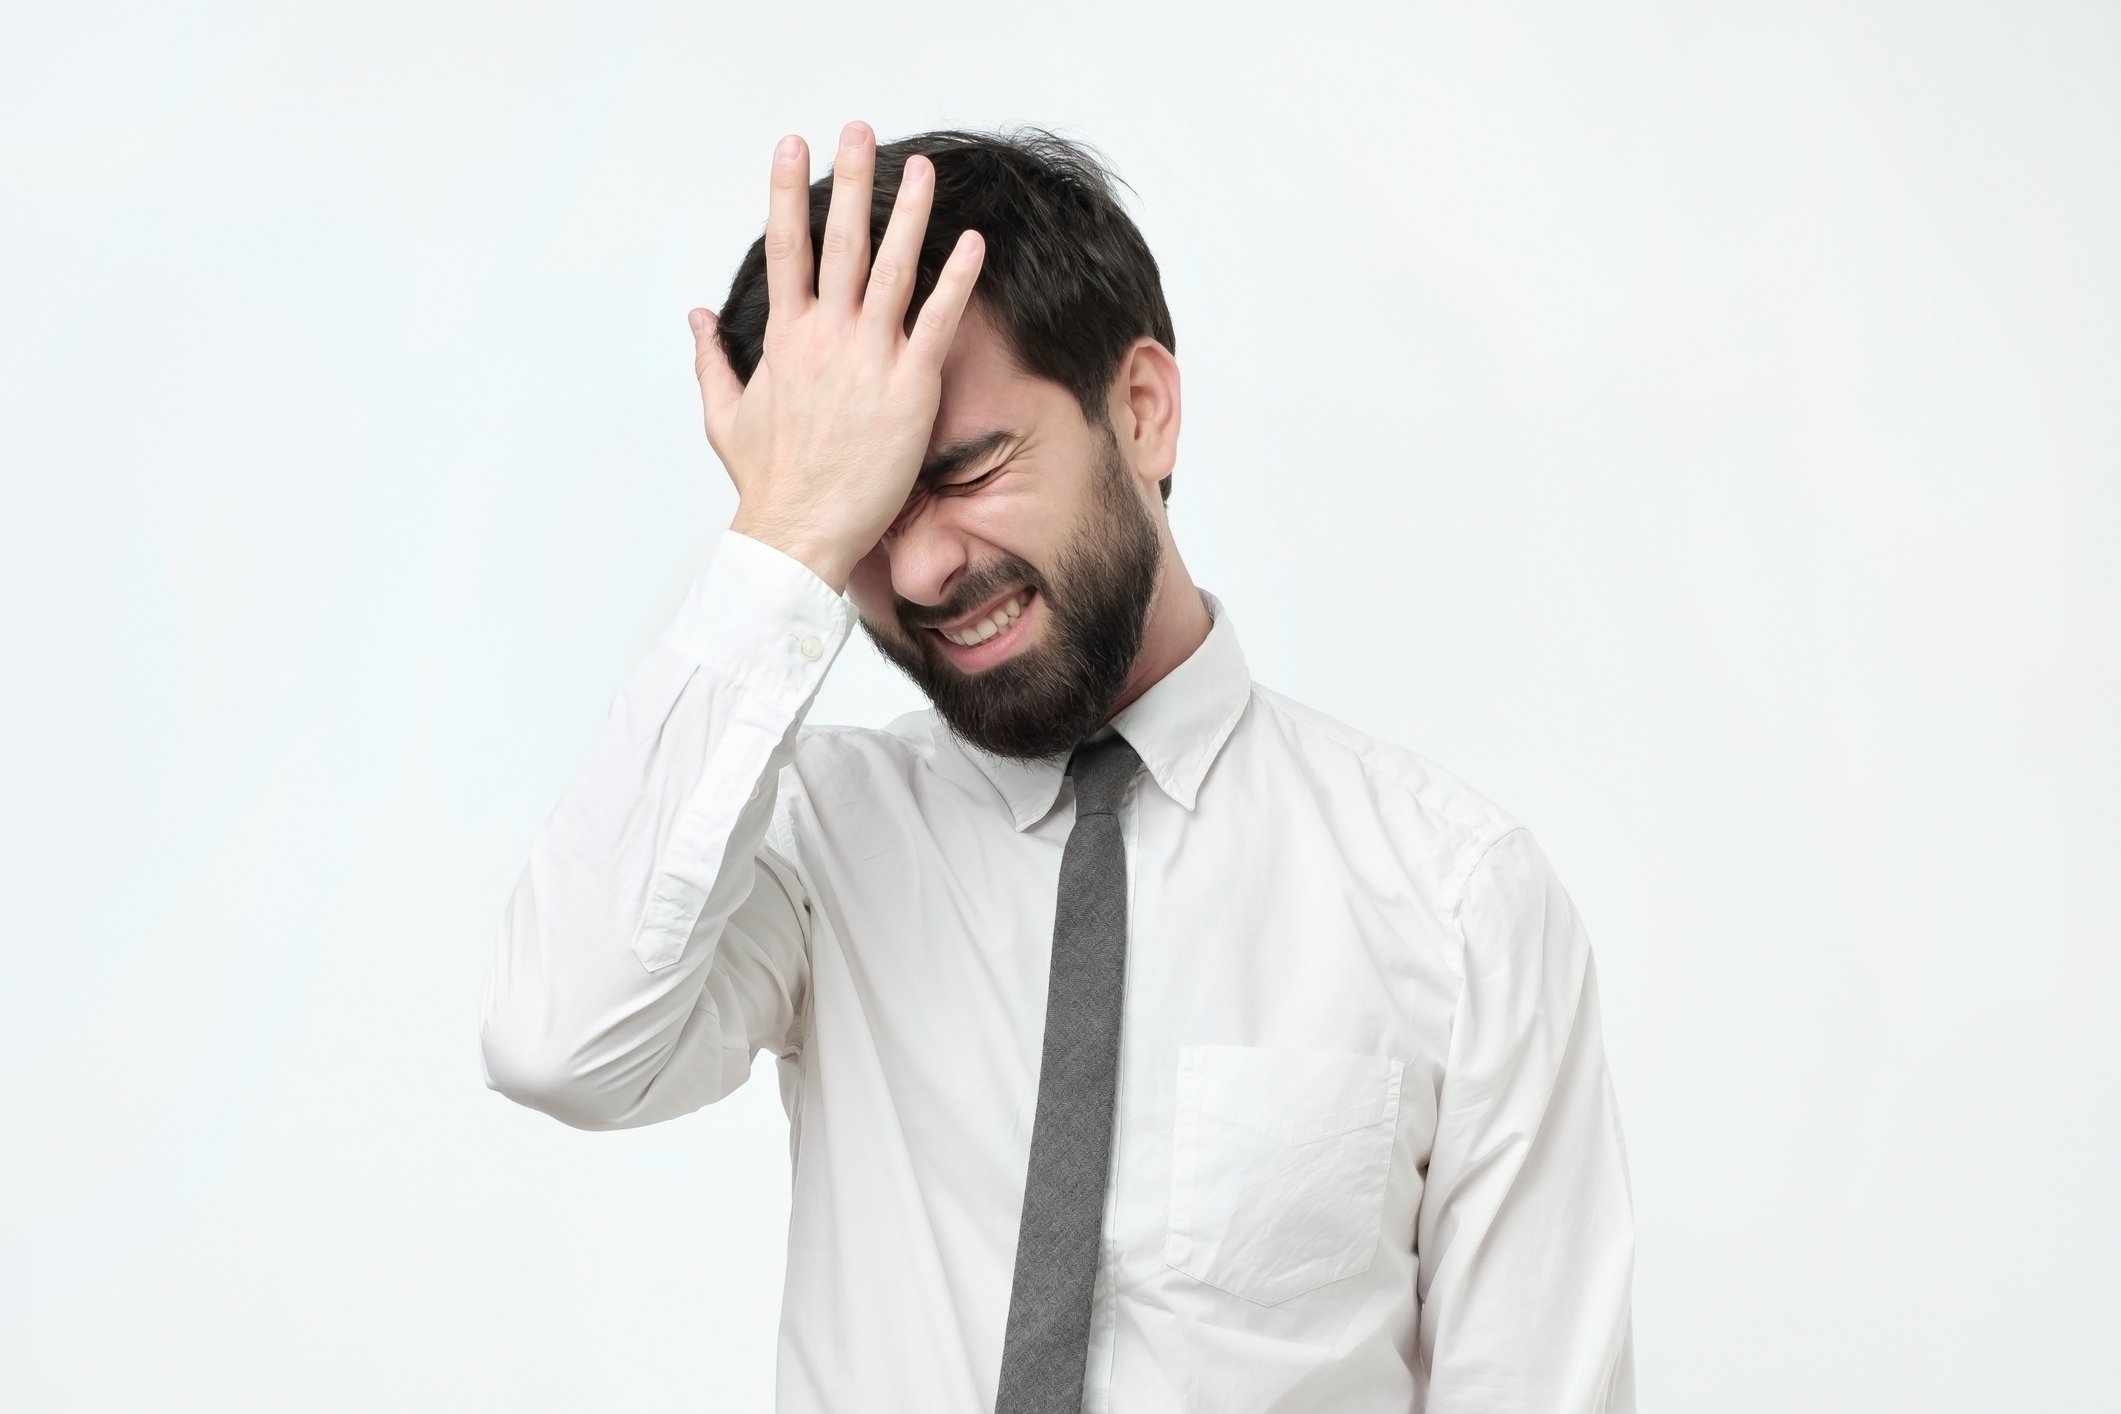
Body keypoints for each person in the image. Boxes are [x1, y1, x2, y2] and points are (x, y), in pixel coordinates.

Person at [479, 119, 1637, 1414]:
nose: (917, 570)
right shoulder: (809, 841)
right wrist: (787, 535)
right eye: (867, 506)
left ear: (1140, 410)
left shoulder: (1452, 893)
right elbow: (560, 1042)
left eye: (967, 470)